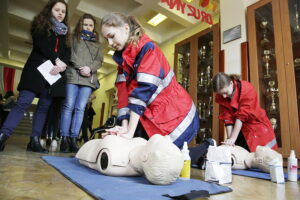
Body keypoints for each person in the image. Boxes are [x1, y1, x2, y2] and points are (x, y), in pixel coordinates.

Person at [100, 12, 199, 149]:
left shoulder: (147, 49)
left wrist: (130, 133)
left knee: (167, 160)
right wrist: (124, 127)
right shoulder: (123, 62)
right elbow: (123, 97)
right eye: (107, 39)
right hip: (155, 117)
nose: (110, 43)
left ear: (126, 28)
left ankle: (205, 147)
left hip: (177, 117)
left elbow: (142, 92)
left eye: (111, 36)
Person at [0, 0, 70, 153]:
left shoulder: (66, 33)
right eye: (57, 10)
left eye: (63, 11)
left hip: (53, 75)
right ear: (49, 10)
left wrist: (62, 64)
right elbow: (41, 44)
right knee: (23, 103)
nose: (60, 13)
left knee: (44, 107)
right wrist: (56, 59)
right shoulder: (40, 25)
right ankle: (3, 136)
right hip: (36, 70)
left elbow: (67, 53)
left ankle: (34, 141)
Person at [59, 13, 103, 153]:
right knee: (68, 106)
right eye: (85, 24)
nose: (88, 27)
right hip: (73, 74)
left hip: (88, 79)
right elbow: (71, 54)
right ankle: (64, 139)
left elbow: (99, 60)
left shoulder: (97, 43)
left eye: (90, 25)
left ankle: (73, 139)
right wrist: (81, 67)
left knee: (80, 109)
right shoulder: (73, 38)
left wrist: (89, 69)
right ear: (80, 25)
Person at [212, 72, 278, 152]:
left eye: (225, 93)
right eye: (221, 94)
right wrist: (230, 140)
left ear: (231, 83)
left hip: (256, 127)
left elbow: (241, 116)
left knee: (260, 158)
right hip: (240, 129)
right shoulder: (222, 95)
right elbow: (227, 117)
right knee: (240, 158)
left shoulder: (247, 89)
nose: (224, 96)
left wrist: (233, 138)